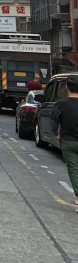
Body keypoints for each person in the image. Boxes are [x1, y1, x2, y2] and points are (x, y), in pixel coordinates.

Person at [52, 75, 78, 206]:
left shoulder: (61, 104)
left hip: (68, 140)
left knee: (73, 169)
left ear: (67, 87)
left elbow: (54, 122)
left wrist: (57, 133)